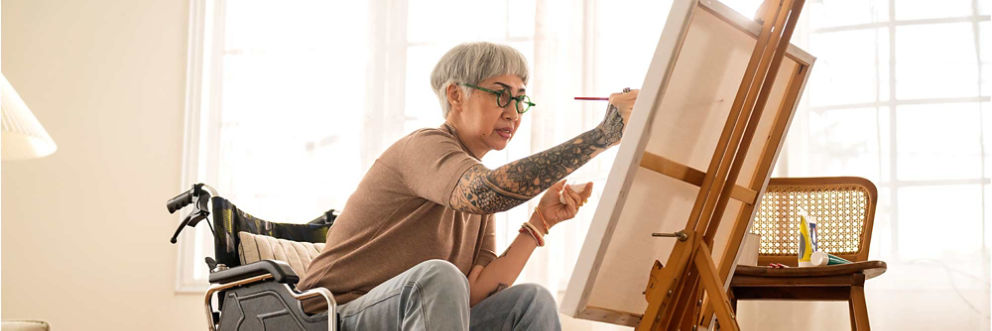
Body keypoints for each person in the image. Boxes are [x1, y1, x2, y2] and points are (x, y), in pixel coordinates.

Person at [297, 41, 639, 330]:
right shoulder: (423, 148)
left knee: (531, 301)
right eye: (502, 96)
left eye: (521, 100)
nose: (514, 114)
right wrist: (601, 136)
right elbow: (487, 193)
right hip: (330, 317)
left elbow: (474, 293)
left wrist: (540, 222)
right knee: (438, 276)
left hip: (413, 314)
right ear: (455, 95)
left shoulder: (474, 182)